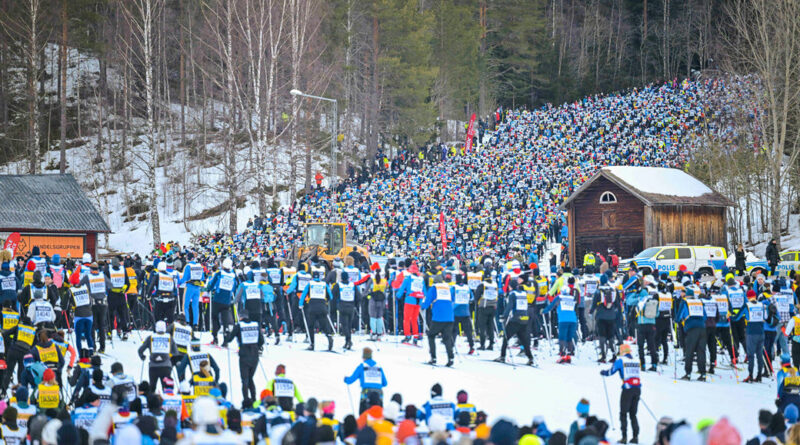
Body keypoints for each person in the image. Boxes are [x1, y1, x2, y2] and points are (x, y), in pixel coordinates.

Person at [601, 344, 640, 444]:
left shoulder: (621, 361)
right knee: (633, 414)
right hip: (637, 388)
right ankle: (635, 437)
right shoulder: (636, 360)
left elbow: (611, 372)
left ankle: (624, 437)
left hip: (627, 389)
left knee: (623, 413)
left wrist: (603, 372)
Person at [223, 311, 264, 403]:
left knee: (244, 380)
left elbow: (229, 339)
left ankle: (246, 400)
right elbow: (262, 341)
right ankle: (253, 399)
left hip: (244, 356)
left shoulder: (239, 326)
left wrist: (227, 333)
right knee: (250, 378)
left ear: (240, 317)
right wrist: (255, 346)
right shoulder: (255, 324)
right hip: (255, 356)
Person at [494, 278, 534, 366]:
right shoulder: (523, 293)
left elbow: (509, 306)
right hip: (524, 319)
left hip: (516, 319)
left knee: (506, 337)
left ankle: (502, 356)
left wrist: (504, 316)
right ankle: (530, 357)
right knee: (523, 340)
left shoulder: (512, 294)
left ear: (511, 286)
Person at [421, 274, 455, 367]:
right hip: (449, 317)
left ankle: (433, 357)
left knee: (431, 336)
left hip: (438, 317)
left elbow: (428, 300)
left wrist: (423, 306)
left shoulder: (434, 288)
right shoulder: (449, 288)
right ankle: (451, 358)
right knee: (447, 338)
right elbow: (453, 299)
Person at [544, 276, 579, 363]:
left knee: (562, 337)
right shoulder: (572, 298)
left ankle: (562, 353)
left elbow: (551, 306)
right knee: (569, 337)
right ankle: (569, 353)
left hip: (563, 320)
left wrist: (544, 311)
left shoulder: (559, 298)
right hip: (573, 320)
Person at [299, 267, 334, 351]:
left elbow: (303, 294)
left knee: (311, 325)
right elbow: (331, 296)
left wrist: (300, 304)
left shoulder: (310, 284)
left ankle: (312, 344)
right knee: (324, 324)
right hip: (322, 305)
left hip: (312, 306)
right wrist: (326, 300)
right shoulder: (324, 284)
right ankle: (329, 337)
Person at [138, 320, 178, 393]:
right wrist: (170, 357)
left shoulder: (151, 337)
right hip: (166, 367)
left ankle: (152, 402)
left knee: (152, 388)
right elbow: (175, 352)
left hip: (153, 367)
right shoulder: (169, 337)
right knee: (166, 388)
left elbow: (140, 350)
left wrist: (142, 356)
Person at [676, 288, 707, 381]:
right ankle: (703, 374)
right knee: (701, 352)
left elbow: (678, 317)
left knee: (689, 351)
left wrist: (680, 321)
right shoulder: (700, 302)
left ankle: (688, 373)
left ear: (686, 295)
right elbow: (705, 316)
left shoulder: (685, 302)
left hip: (691, 329)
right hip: (702, 328)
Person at [344, 347, 387, 414]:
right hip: (379, 393)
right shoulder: (378, 366)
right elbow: (385, 383)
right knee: (378, 413)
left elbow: (351, 380)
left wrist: (346, 379)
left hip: (367, 392)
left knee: (364, 413)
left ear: (364, 357)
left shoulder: (362, 366)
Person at [205, 258, 238, 345]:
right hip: (227, 301)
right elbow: (234, 287)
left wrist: (208, 290)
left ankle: (215, 337)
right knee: (225, 320)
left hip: (217, 299)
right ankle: (226, 339)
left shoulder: (219, 273)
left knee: (215, 317)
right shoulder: (233, 275)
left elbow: (212, 284)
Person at [742, 290, 768, 382]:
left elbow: (738, 316)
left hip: (751, 332)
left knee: (750, 355)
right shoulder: (762, 305)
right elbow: (765, 317)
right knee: (759, 355)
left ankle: (750, 375)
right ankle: (759, 376)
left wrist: (731, 316)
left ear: (748, 297)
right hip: (761, 332)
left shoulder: (747, 305)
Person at [105, 256, 130, 341]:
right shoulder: (123, 270)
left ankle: (109, 332)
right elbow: (128, 283)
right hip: (121, 295)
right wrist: (124, 289)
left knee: (110, 314)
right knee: (122, 314)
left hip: (112, 295)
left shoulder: (108, 270)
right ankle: (125, 331)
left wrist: (106, 291)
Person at [334, 271, 361, 350]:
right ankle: (348, 341)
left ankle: (348, 340)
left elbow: (333, 295)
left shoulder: (338, 285)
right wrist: (356, 305)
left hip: (342, 306)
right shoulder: (353, 285)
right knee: (349, 325)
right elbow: (358, 296)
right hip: (351, 306)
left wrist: (335, 306)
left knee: (344, 325)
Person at [180, 253, 206, 328]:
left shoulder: (188, 266)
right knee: (195, 306)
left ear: (188, 258)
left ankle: (187, 322)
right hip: (197, 288)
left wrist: (179, 282)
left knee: (186, 306)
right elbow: (202, 278)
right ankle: (195, 324)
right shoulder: (199, 266)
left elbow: (185, 278)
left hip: (189, 287)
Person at [452, 274, 475, 354]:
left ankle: (451, 346)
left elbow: (451, 297)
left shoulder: (454, 287)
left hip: (456, 311)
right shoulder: (467, 287)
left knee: (454, 330)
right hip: (465, 311)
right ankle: (472, 346)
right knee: (468, 331)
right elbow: (472, 298)